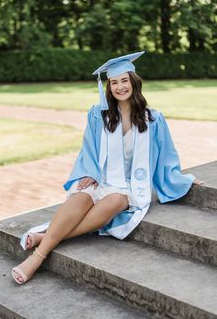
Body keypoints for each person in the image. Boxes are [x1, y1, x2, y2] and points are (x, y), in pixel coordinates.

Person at [12, 51, 203, 285]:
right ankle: (43, 244)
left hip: (129, 187)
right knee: (82, 198)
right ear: (109, 87)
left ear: (134, 81)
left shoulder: (154, 119)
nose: (120, 87)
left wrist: (183, 179)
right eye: (114, 82)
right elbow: (88, 150)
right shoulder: (98, 115)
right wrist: (90, 173)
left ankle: (38, 252)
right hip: (101, 178)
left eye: (124, 80)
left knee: (116, 201)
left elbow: (166, 158)